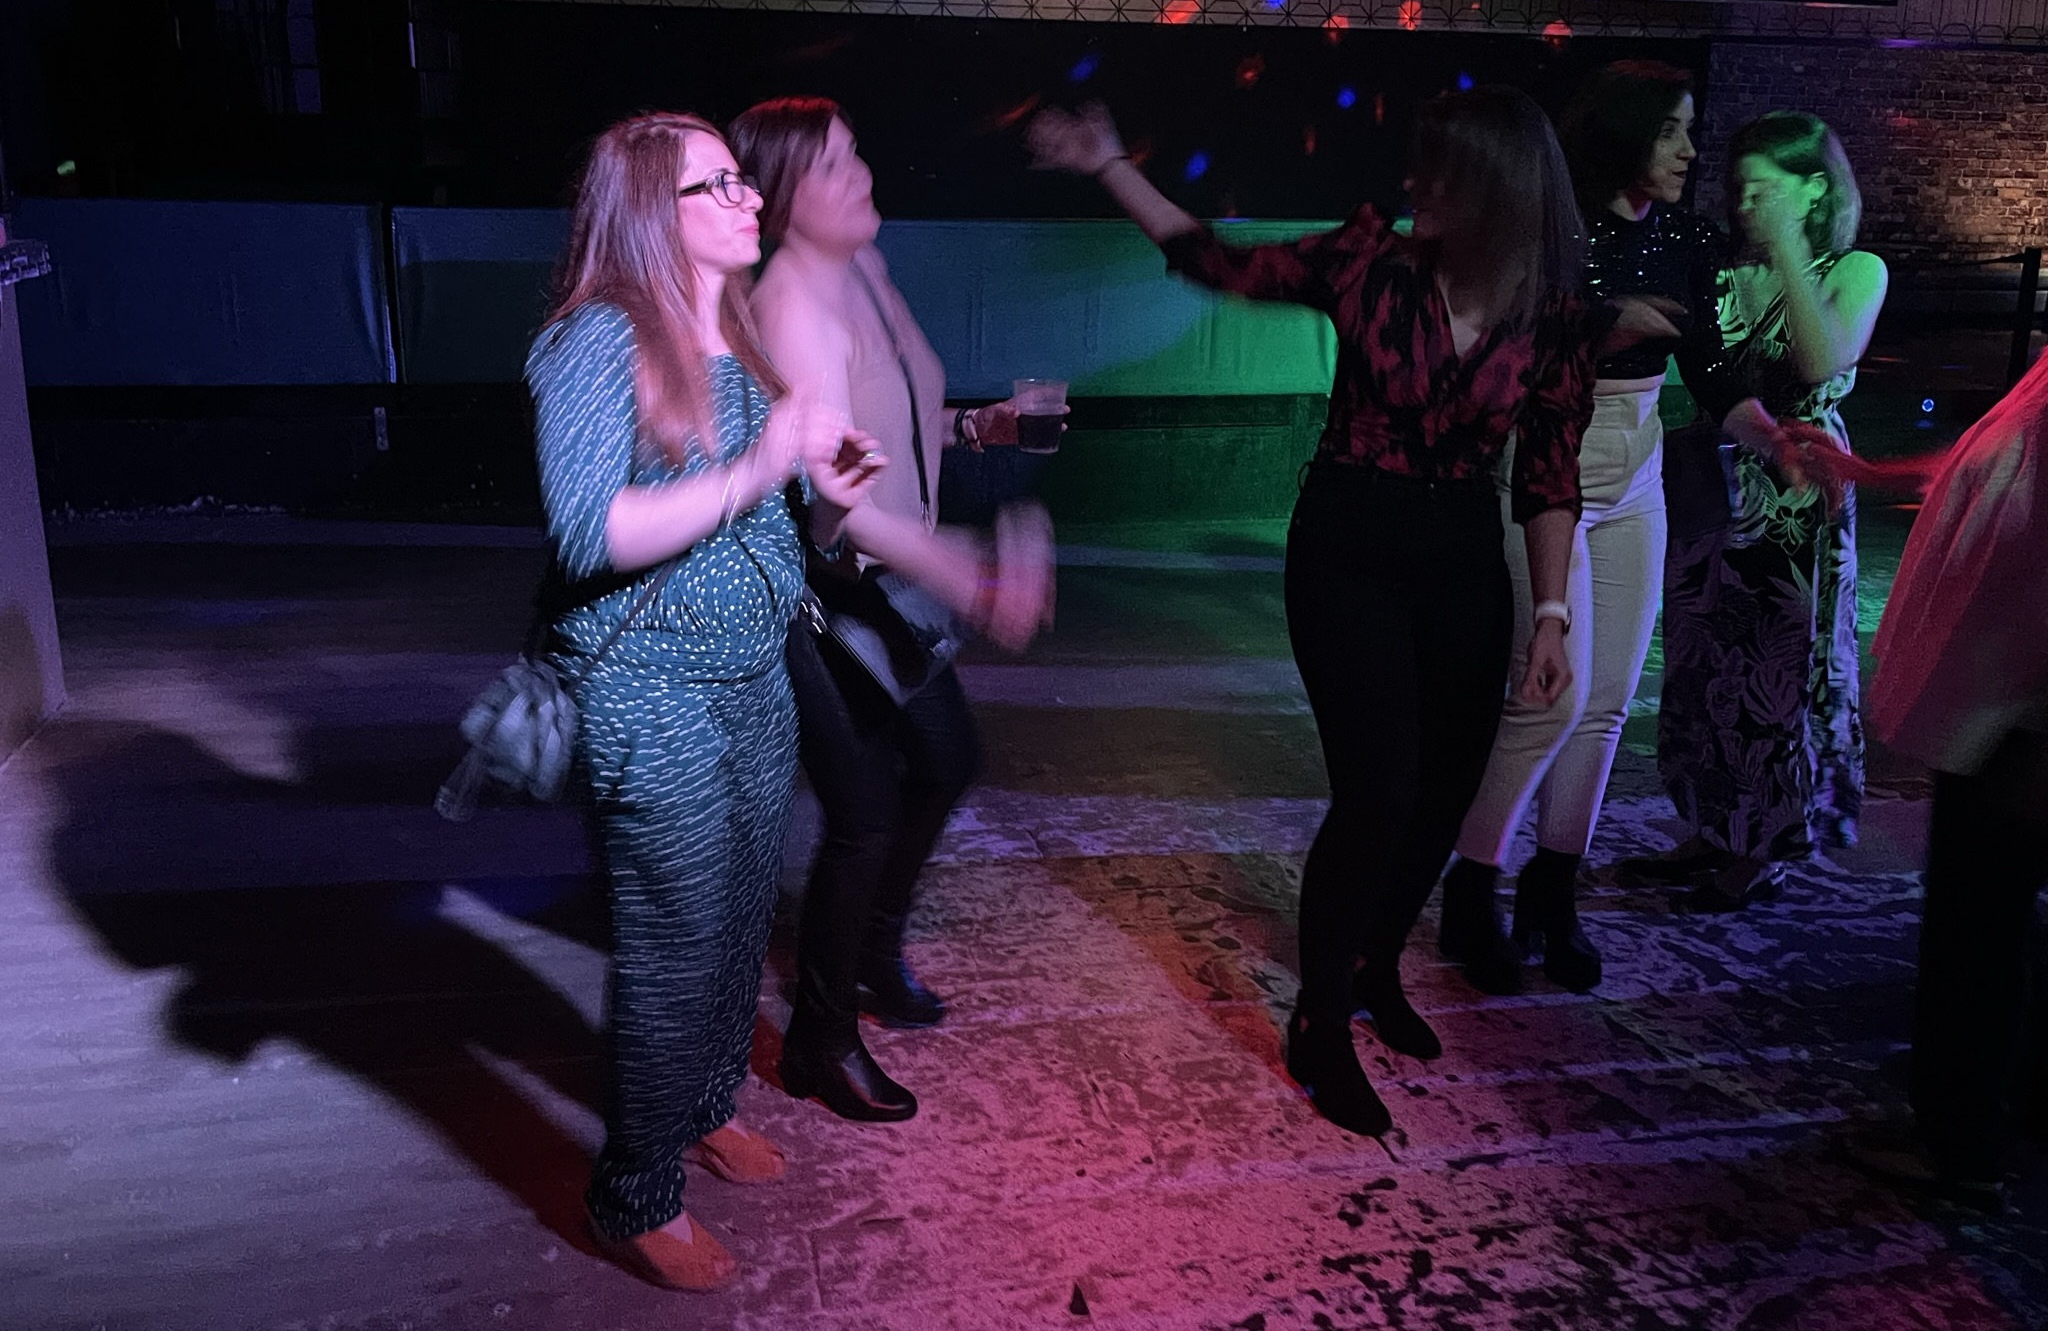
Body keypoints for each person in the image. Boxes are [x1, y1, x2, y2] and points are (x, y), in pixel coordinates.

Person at [1027, 89, 1598, 1138]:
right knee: (1378, 792)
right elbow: (1218, 263)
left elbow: (1549, 475)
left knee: (1443, 796)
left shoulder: (1554, 313)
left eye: (1435, 171)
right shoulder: (1368, 261)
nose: (1412, 184)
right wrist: (1109, 163)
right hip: (1348, 549)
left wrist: (1553, 615)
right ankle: (1319, 1019)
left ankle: (1375, 964)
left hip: (1462, 557)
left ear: (1492, 191)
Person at [527, 112, 883, 1291]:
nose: (750, 198)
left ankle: (704, 1105)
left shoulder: (730, 334)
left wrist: (828, 495)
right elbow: (591, 533)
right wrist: (758, 467)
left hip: (753, 676)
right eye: (719, 184)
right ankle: (632, 1193)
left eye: (743, 179)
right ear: (648, 210)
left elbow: (777, 530)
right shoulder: (595, 339)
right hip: (650, 690)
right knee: (673, 948)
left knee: (736, 924)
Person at [730, 97, 1055, 1125]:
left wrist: (977, 426)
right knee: (864, 811)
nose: (861, 174)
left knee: (946, 761)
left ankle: (870, 953)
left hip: (887, 585)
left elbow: (894, 418)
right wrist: (973, 578)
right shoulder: (794, 312)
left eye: (856, 152)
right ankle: (819, 1042)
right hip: (824, 591)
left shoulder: (861, 266)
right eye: (832, 167)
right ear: (784, 200)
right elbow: (841, 508)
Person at [1437, 61, 1766, 993]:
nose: (1690, 150)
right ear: (1624, 133)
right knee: (1550, 695)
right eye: (1671, 130)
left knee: (1612, 696)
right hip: (1549, 460)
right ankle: (1471, 887)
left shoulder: (1686, 238)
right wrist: (1597, 325)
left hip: (1640, 463)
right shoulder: (1553, 230)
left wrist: (1780, 441)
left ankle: (1554, 890)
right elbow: (1496, 341)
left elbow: (1711, 371)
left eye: (1690, 129)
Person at [1782, 358, 2048, 1210]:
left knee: (1980, 923)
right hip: (2005, 702)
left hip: (2019, 709)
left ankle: (1961, 1144)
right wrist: (1873, 472)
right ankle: (1991, 1118)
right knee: (1988, 918)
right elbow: (2001, 464)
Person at [1652, 112, 1888, 911]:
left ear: (1815, 188)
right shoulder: (1718, 267)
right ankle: (1712, 825)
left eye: (1766, 189)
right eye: (1741, 188)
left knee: (1778, 671)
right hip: (1708, 474)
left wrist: (1787, 244)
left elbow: (1821, 358)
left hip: (1796, 490)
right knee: (1699, 661)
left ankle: (1768, 844)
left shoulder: (1855, 271)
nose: (1747, 202)